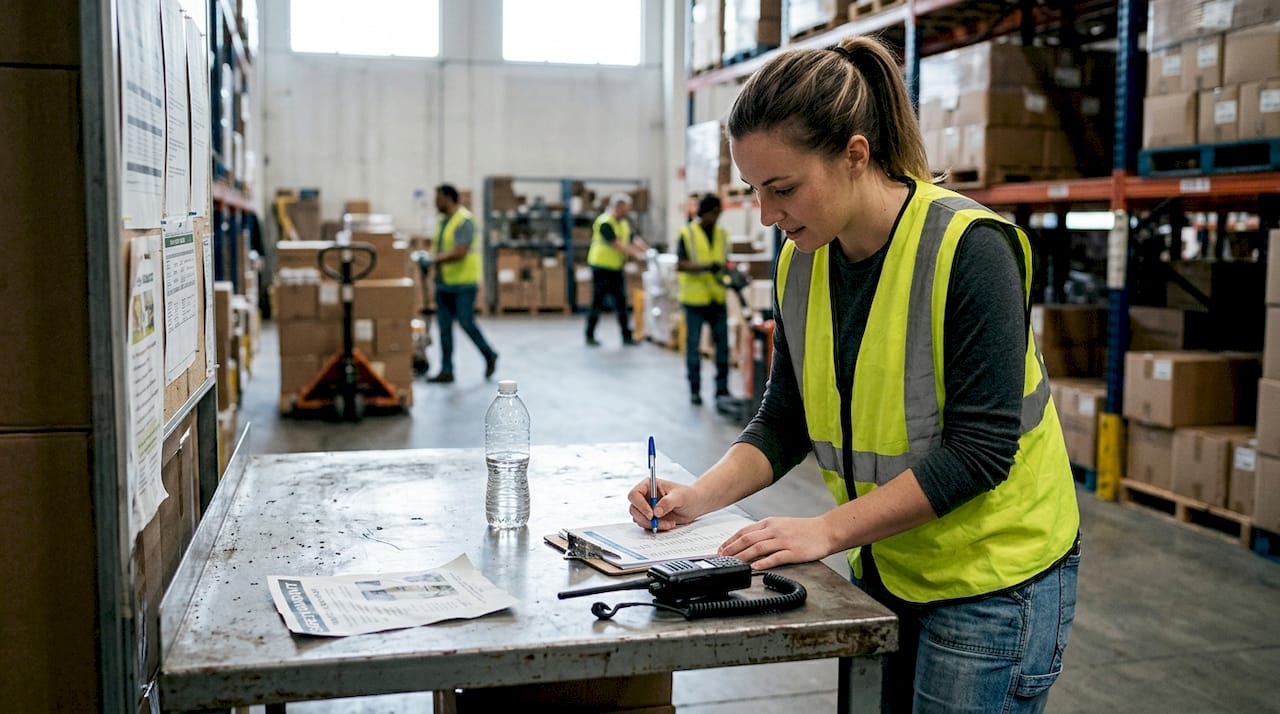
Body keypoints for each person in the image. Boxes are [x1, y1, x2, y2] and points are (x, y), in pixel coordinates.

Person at [628, 37, 1080, 713]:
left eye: (782, 189)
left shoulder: (970, 251)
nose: (767, 214)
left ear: (856, 155)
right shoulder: (802, 259)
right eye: (753, 191)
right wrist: (698, 496)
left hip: (994, 579)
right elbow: (787, 416)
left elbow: (980, 452)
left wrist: (827, 529)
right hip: (889, 563)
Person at [426, 183, 498, 384]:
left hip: (463, 284)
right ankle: (446, 370)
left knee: (466, 322)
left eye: (438, 198)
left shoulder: (464, 220)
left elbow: (460, 252)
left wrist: (434, 260)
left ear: (448, 198)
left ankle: (489, 354)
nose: (435, 202)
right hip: (444, 283)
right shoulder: (443, 221)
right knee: (444, 328)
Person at [676, 194, 731, 406]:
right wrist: (707, 267)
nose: (716, 218)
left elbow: (726, 261)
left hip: (717, 297)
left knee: (722, 347)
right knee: (693, 347)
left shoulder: (723, 234)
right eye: (714, 213)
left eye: (719, 213)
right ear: (704, 212)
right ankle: (695, 390)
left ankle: (722, 390)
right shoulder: (687, 233)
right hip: (694, 300)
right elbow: (680, 264)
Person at [585, 192, 650, 346]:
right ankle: (589, 334)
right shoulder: (604, 222)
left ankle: (626, 336)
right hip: (601, 267)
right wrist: (637, 254)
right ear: (619, 207)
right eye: (626, 208)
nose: (628, 211)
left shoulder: (623, 222)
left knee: (621, 302)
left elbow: (633, 238)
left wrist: (647, 250)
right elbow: (616, 243)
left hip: (615, 267)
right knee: (597, 302)